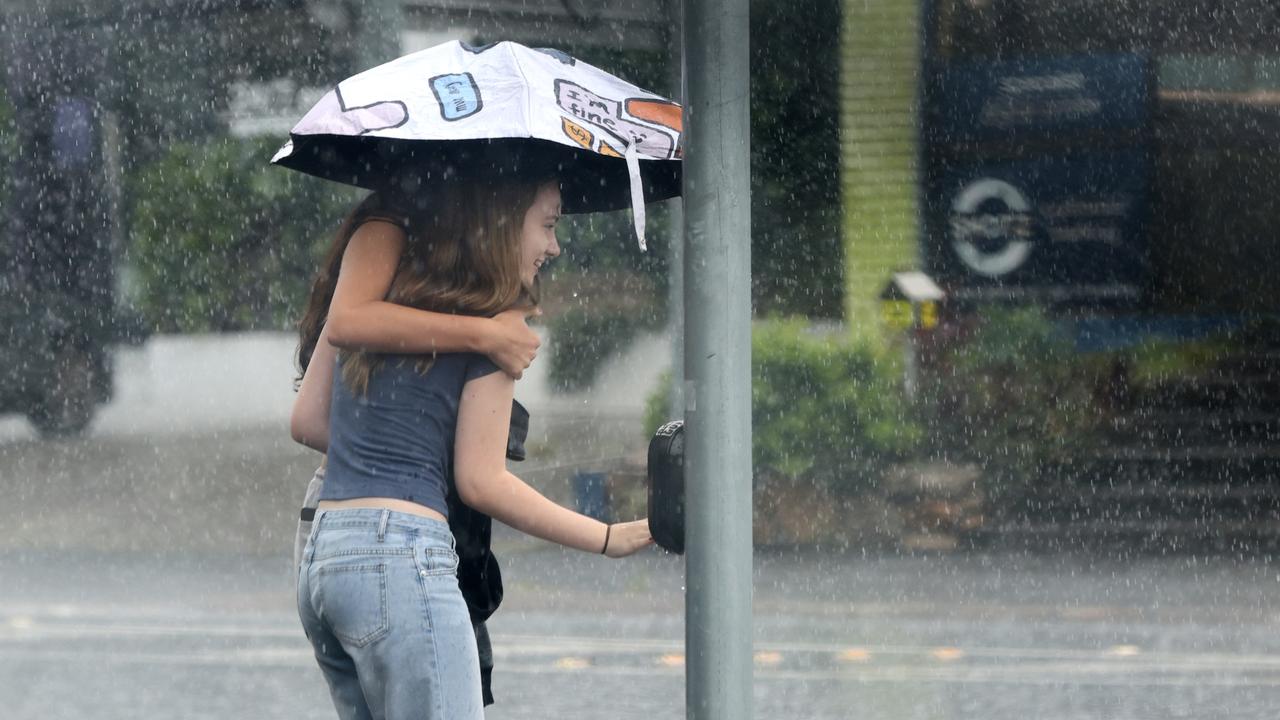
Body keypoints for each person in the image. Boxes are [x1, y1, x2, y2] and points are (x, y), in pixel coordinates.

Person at [294, 168, 653, 720]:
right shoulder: (497, 326)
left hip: (327, 551)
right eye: (548, 225)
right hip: (403, 555)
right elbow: (481, 482)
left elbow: (309, 420)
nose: (554, 247)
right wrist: (606, 537)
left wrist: (404, 443)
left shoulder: (379, 298)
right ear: (506, 221)